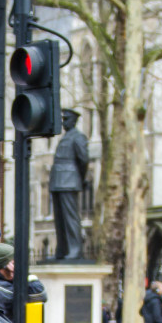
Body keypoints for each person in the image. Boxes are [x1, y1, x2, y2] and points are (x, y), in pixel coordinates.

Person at [49, 109, 89, 261]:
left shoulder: (78, 137)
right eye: (63, 119)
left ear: (74, 121)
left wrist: (80, 178)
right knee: (59, 219)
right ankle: (62, 250)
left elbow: (83, 160)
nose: (64, 122)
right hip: (58, 180)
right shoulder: (65, 137)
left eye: (67, 119)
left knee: (71, 218)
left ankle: (75, 250)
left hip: (69, 181)